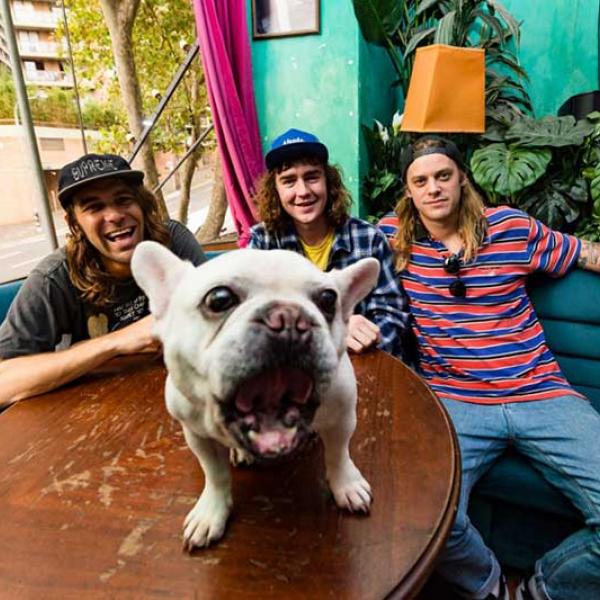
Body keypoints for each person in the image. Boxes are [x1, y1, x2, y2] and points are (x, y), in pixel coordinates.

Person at [389, 135, 600, 600]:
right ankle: (490, 586)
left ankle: (543, 588)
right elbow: (327, 253)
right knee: (425, 515)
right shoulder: (393, 240)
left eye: (443, 176)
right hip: (454, 402)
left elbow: (586, 253)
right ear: (408, 191)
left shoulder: (510, 228)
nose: (433, 188)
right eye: (421, 181)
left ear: (462, 179)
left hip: (540, 393)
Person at [0, 153, 206, 408]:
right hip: (94, 410)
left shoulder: (171, 242)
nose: (115, 215)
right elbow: (4, 381)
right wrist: (116, 342)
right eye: (94, 207)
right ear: (74, 224)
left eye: (124, 200)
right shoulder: (54, 278)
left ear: (141, 205)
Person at [248, 128, 415, 363]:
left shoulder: (368, 239)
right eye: (289, 181)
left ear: (328, 181)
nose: (303, 192)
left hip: (358, 365)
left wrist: (367, 336)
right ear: (275, 190)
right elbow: (250, 319)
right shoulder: (264, 242)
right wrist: (335, 328)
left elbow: (392, 315)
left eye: (312, 177)